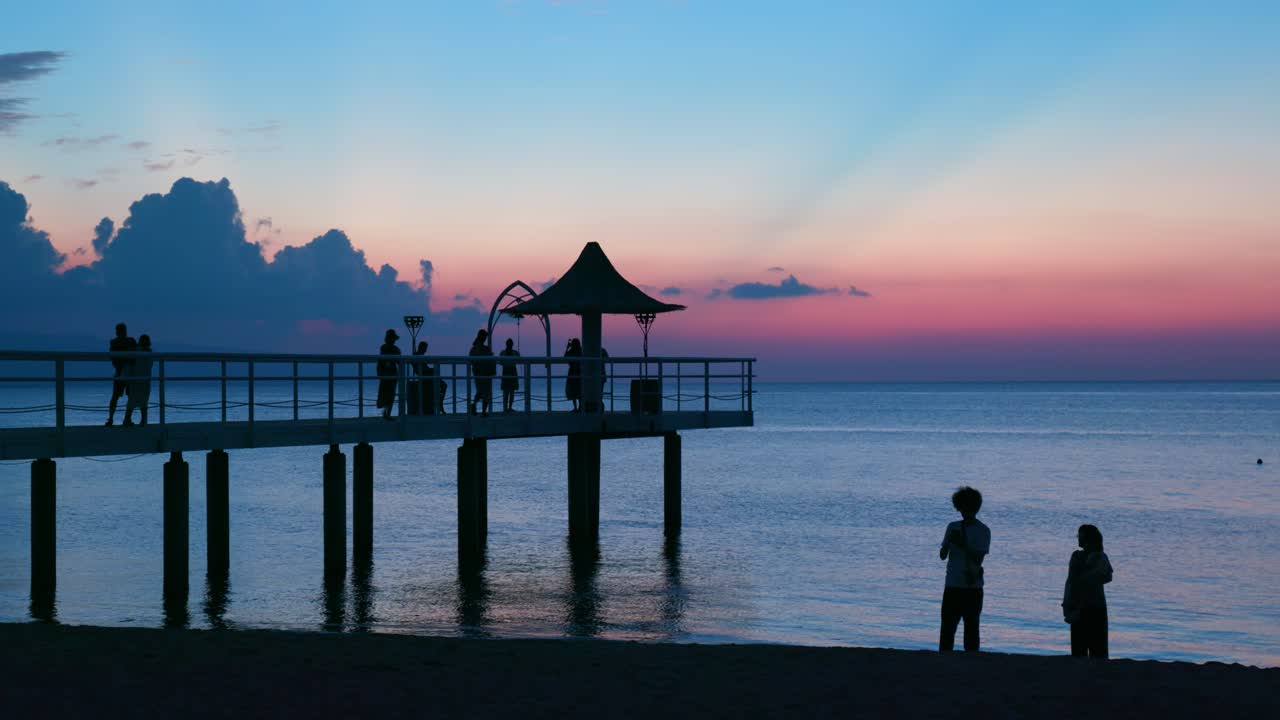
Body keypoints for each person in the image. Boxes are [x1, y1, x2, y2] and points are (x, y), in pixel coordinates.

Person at [938, 486, 990, 652]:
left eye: (965, 508)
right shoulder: (952, 526)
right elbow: (942, 555)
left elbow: (978, 559)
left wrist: (962, 544)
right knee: (947, 630)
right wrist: (948, 544)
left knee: (971, 630)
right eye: (961, 508)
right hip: (952, 584)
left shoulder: (983, 530)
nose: (962, 512)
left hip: (971, 586)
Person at [1062, 524, 1113, 659]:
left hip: (1091, 607)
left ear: (1087, 538)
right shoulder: (1080, 556)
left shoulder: (1097, 557)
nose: (1078, 538)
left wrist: (1068, 603)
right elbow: (1073, 582)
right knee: (1086, 651)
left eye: (1080, 535)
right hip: (1087, 607)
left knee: (1093, 651)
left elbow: (1106, 577)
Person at [105, 322, 137, 426]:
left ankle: (118, 419)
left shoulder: (116, 342)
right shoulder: (128, 341)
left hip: (123, 372)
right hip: (123, 372)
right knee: (121, 396)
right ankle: (115, 419)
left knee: (126, 396)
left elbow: (114, 358)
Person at [123, 334, 153, 426]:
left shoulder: (135, 352)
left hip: (136, 380)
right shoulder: (149, 354)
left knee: (132, 401)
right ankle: (143, 421)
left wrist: (127, 379)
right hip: (144, 380)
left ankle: (128, 420)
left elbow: (129, 367)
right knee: (143, 401)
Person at [468, 329, 495, 416]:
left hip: (479, 372)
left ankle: (475, 406)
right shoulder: (483, 349)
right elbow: (490, 359)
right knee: (485, 392)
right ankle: (483, 411)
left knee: (480, 391)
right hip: (484, 372)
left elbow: (472, 361)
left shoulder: (474, 348)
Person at [376, 329, 401, 420]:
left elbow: (380, 361)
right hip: (388, 373)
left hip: (390, 373)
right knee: (387, 393)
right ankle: (386, 413)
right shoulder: (391, 349)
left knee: (388, 393)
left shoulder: (387, 348)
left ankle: (386, 413)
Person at [499, 338, 520, 413]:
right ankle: (509, 408)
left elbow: (500, 362)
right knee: (511, 391)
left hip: (506, 370)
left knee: (507, 391)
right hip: (512, 370)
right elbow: (518, 361)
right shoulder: (515, 353)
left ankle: (506, 408)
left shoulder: (502, 353)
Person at [564, 338, 582, 412]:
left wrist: (567, 347)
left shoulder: (572, 351)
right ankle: (580, 407)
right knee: (579, 390)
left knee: (573, 390)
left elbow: (565, 357)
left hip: (573, 372)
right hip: (579, 372)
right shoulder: (581, 351)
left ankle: (576, 408)